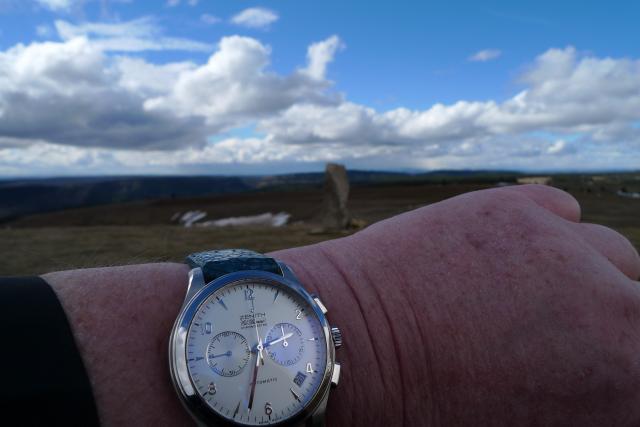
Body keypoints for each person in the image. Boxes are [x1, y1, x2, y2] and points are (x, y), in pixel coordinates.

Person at [2, 184, 639, 426]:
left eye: (280, 341)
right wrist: (392, 333)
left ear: (326, 348)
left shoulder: (307, 342)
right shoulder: (193, 348)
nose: (257, 349)